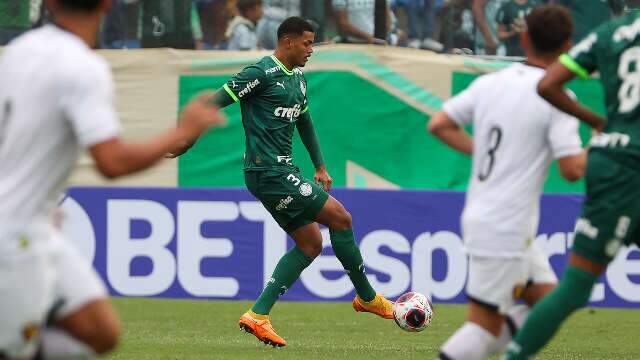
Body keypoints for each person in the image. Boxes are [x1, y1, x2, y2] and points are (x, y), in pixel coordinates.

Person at [0, 0, 225, 358]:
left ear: (50, 4)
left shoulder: (17, 54)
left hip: (33, 223)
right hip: (16, 236)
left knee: (101, 332)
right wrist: (182, 131)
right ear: (108, 5)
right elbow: (112, 161)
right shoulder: (83, 68)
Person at [167, 16, 394, 348]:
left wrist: (320, 166)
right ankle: (367, 296)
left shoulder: (299, 78)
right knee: (341, 218)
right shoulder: (259, 73)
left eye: (312, 43)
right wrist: (187, 140)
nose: (311, 50)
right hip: (268, 172)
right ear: (288, 42)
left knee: (311, 244)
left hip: (283, 171)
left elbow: (304, 119)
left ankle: (258, 315)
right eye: (307, 43)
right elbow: (214, 102)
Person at [428, 5, 587, 359]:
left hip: (494, 219)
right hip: (506, 225)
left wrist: (480, 150)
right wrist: (608, 143)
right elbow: (572, 170)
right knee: (483, 326)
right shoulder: (558, 97)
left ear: (524, 37)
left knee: (548, 302)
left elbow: (438, 124)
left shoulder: (489, 83)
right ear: (568, 46)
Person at [504, 7, 640, 360]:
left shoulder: (609, 33)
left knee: (577, 287)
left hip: (612, 162)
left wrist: (600, 122)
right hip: (630, 170)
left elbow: (548, 83)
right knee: (576, 286)